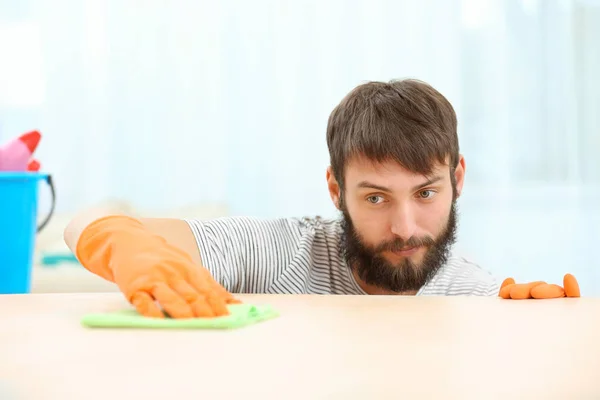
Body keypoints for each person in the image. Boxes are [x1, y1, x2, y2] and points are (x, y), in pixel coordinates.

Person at [64, 78, 501, 320]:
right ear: (336, 190)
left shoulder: (480, 297)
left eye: (425, 192)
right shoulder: (280, 253)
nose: (405, 227)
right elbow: (82, 222)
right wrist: (119, 241)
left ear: (457, 178)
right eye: (376, 199)